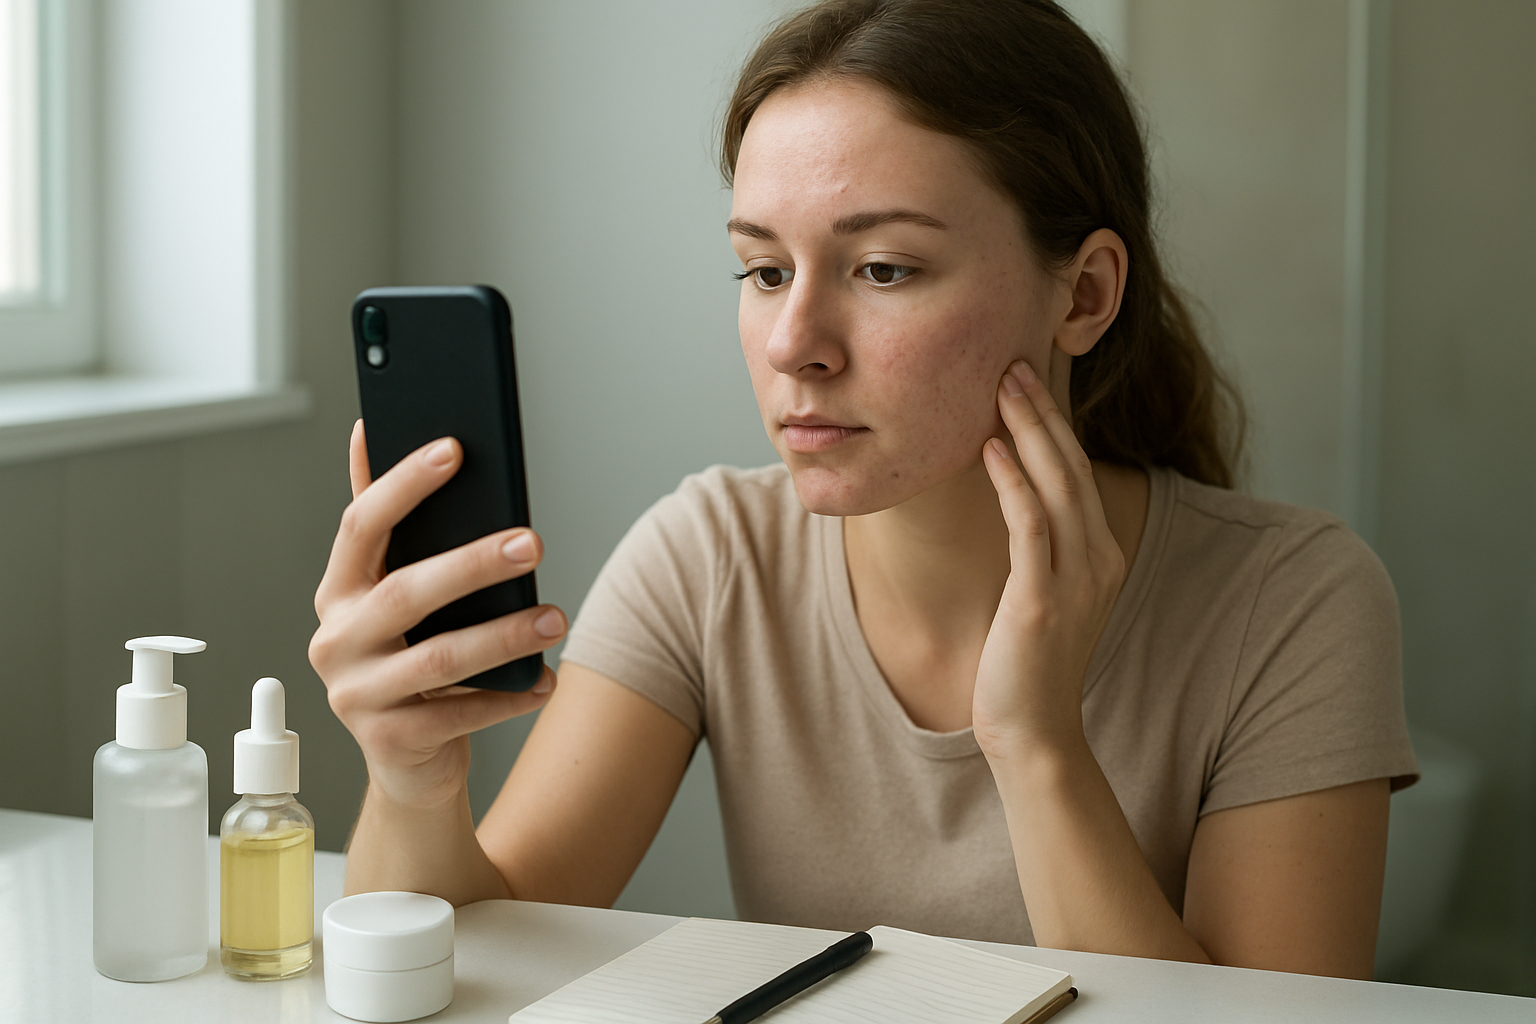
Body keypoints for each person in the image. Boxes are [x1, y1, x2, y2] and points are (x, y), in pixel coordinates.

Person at [310, 0, 1417, 980]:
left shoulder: (1294, 601)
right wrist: (413, 779)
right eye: (763, 269)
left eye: (883, 268)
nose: (796, 343)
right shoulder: (711, 556)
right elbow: (475, 950)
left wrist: (1034, 738)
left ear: (1083, 293)